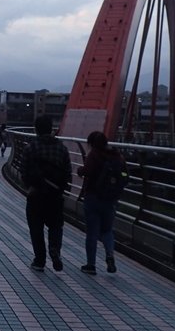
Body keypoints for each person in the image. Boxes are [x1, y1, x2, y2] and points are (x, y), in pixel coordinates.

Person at [21, 115, 71, 271]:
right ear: (51, 129)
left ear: (36, 129)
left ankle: (39, 260)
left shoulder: (31, 147)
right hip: (56, 195)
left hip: (36, 194)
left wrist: (30, 186)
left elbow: (24, 171)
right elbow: (68, 172)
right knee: (56, 225)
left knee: (36, 227)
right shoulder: (62, 148)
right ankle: (55, 249)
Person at [77, 130, 123, 274]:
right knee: (107, 230)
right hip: (110, 199)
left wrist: (80, 170)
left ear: (91, 143)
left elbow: (87, 171)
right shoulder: (117, 156)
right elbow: (124, 175)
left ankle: (91, 265)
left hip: (93, 198)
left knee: (92, 232)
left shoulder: (94, 155)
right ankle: (109, 254)